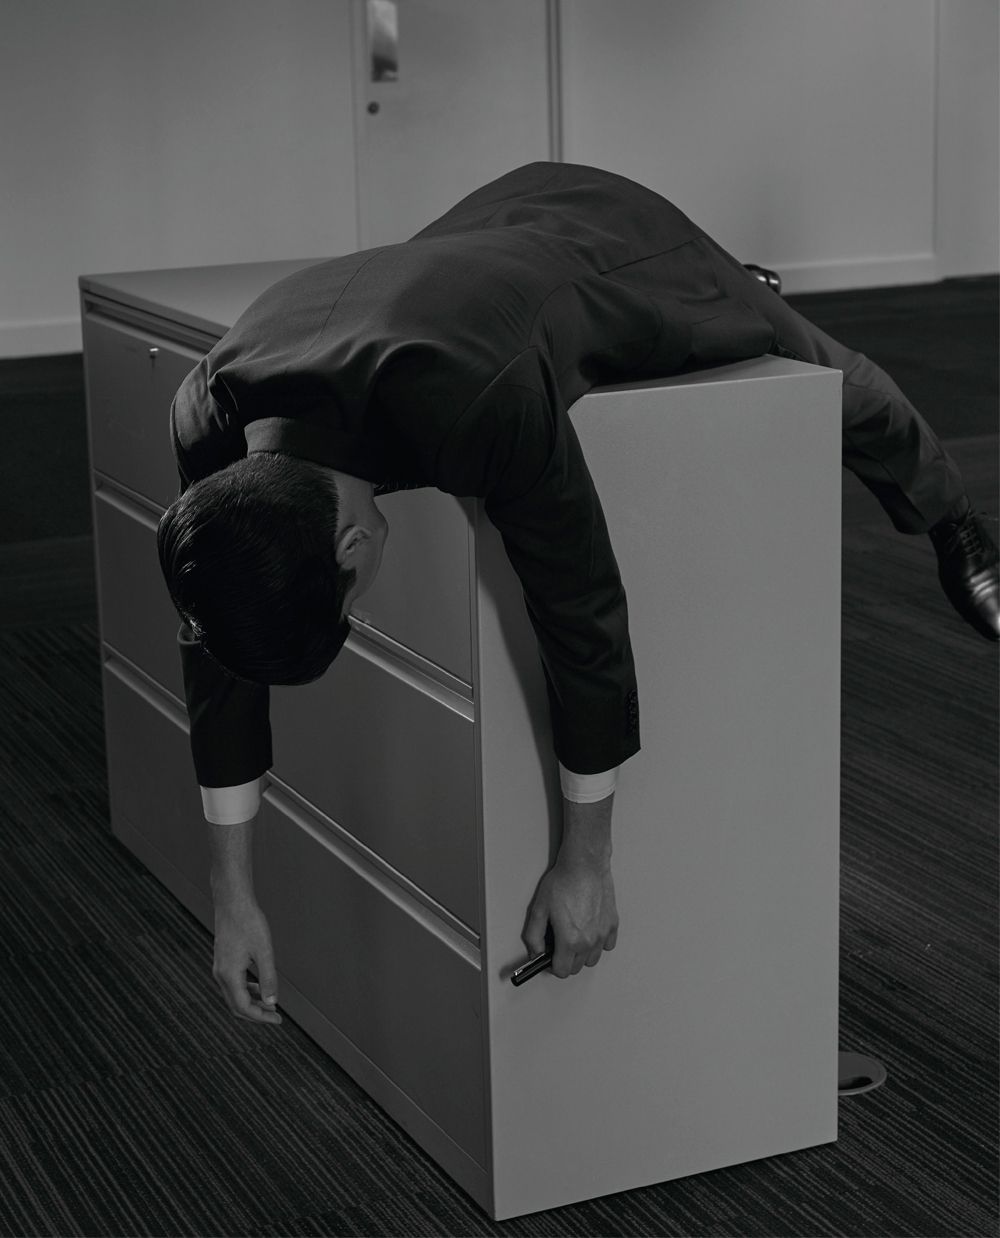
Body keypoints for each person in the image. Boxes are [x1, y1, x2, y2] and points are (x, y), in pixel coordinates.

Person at [157, 160, 999, 1024]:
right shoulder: (206, 414)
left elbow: (581, 610)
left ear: (350, 543)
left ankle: (954, 519)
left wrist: (587, 860)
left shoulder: (475, 400)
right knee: (578, 315)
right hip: (466, 261)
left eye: (348, 601)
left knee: (823, 373)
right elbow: (220, 644)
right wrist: (232, 900)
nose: (358, 604)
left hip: (609, 236)